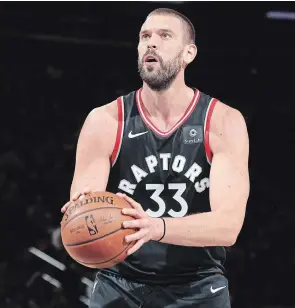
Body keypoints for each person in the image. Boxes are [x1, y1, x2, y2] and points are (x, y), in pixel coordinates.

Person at [61, 8, 250, 308]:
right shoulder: (105, 120)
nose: (151, 43)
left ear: (189, 53)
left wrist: (155, 227)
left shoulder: (222, 121)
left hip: (198, 285)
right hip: (119, 282)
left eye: (164, 36)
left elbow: (228, 226)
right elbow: (86, 210)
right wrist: (82, 212)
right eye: (145, 36)